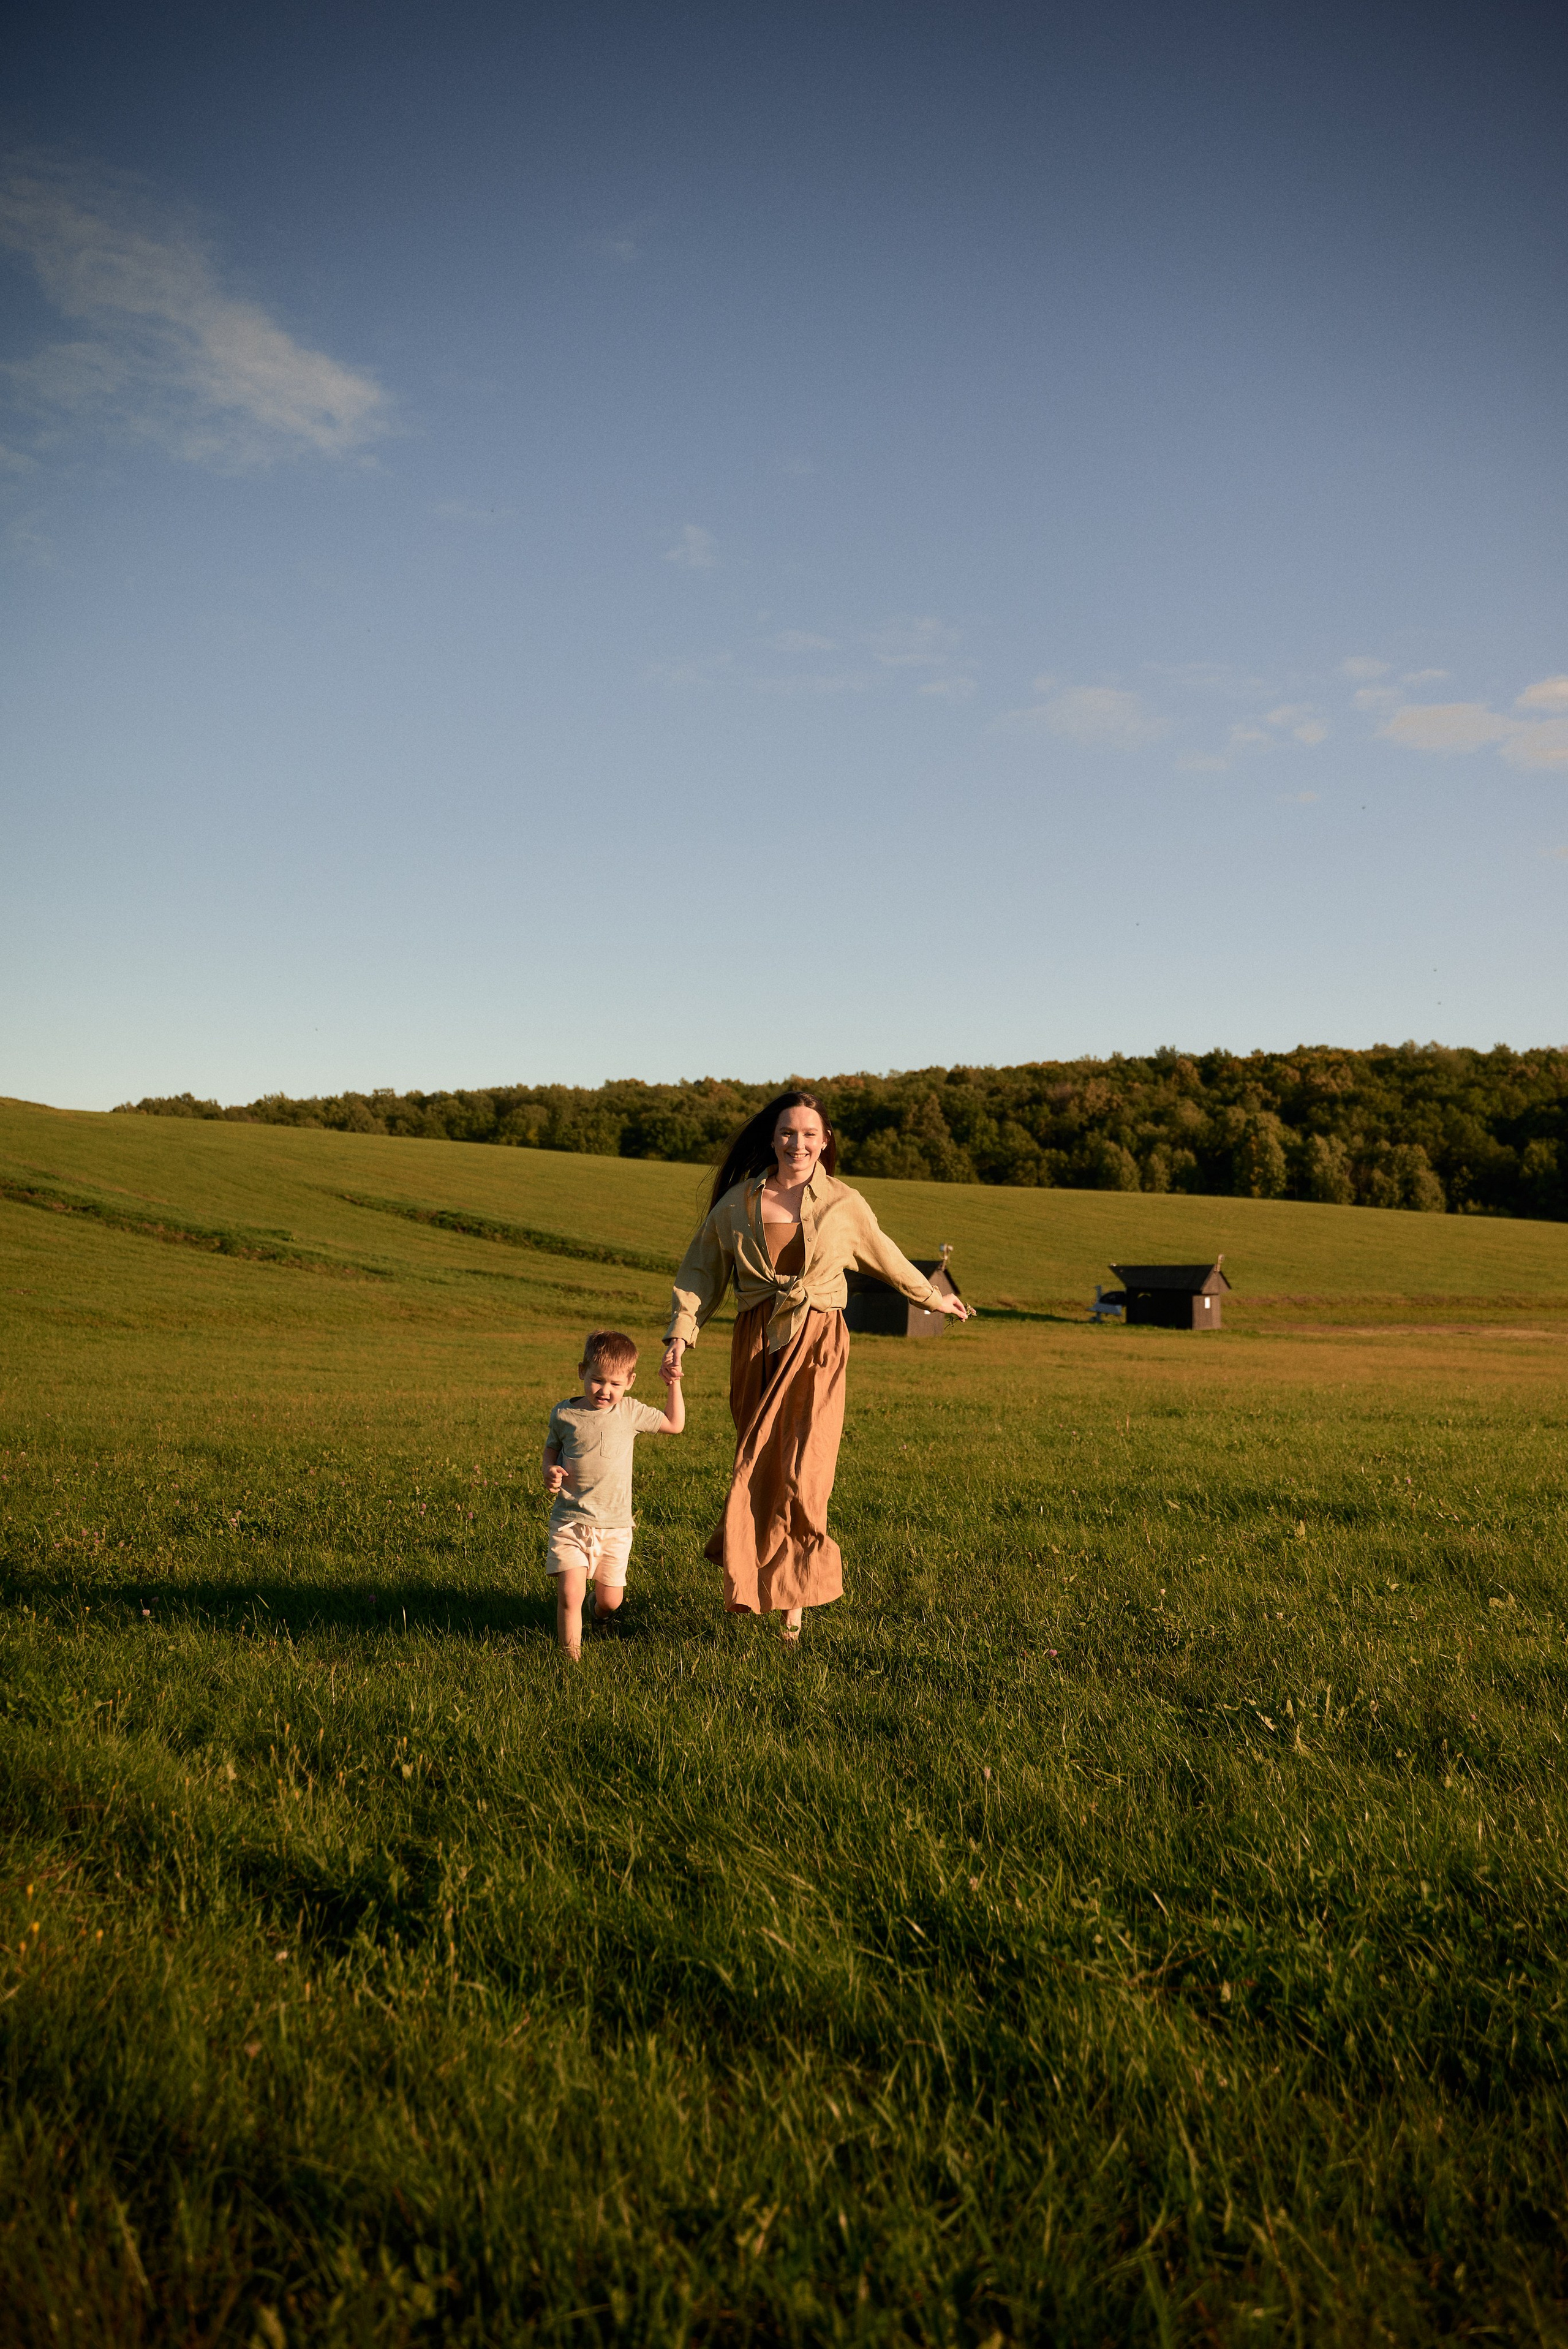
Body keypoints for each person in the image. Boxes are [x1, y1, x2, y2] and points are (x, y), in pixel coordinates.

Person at [662, 1090, 971, 1642]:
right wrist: (681, 1337)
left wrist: (933, 1297)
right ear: (772, 1138)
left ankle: (795, 1603)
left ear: (824, 1141)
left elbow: (886, 1255)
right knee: (760, 1466)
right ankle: (756, 1579)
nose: (797, 1143)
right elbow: (700, 1274)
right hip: (757, 1343)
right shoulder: (736, 1203)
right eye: (787, 1132)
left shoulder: (845, 1204)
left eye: (809, 1134)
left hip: (820, 1340)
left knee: (806, 1472)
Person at [542, 1328, 684, 1660]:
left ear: (630, 1382)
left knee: (610, 1600)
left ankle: (601, 1616)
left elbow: (675, 1424)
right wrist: (549, 1470)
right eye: (598, 1380)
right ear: (582, 1372)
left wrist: (673, 1383)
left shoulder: (630, 1412)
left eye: (616, 1384)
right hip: (571, 1521)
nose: (605, 1391)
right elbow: (552, 1449)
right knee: (570, 1593)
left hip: (616, 1525)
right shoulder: (564, 1414)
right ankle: (570, 1658)